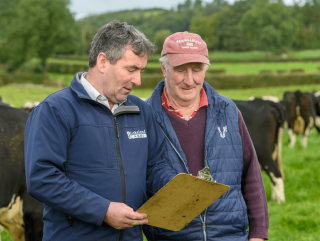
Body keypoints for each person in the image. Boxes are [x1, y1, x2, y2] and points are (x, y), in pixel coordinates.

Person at [24, 20, 175, 241]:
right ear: (103, 61)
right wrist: (103, 210)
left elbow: (156, 166)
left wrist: (176, 188)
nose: (138, 80)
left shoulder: (141, 111)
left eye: (141, 70)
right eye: (131, 69)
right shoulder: (56, 110)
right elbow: (42, 178)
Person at [143, 31, 269, 240]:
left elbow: (251, 174)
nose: (190, 80)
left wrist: (258, 234)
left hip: (230, 236)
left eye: (197, 69)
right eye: (180, 70)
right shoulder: (143, 117)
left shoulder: (227, 109)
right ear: (164, 68)